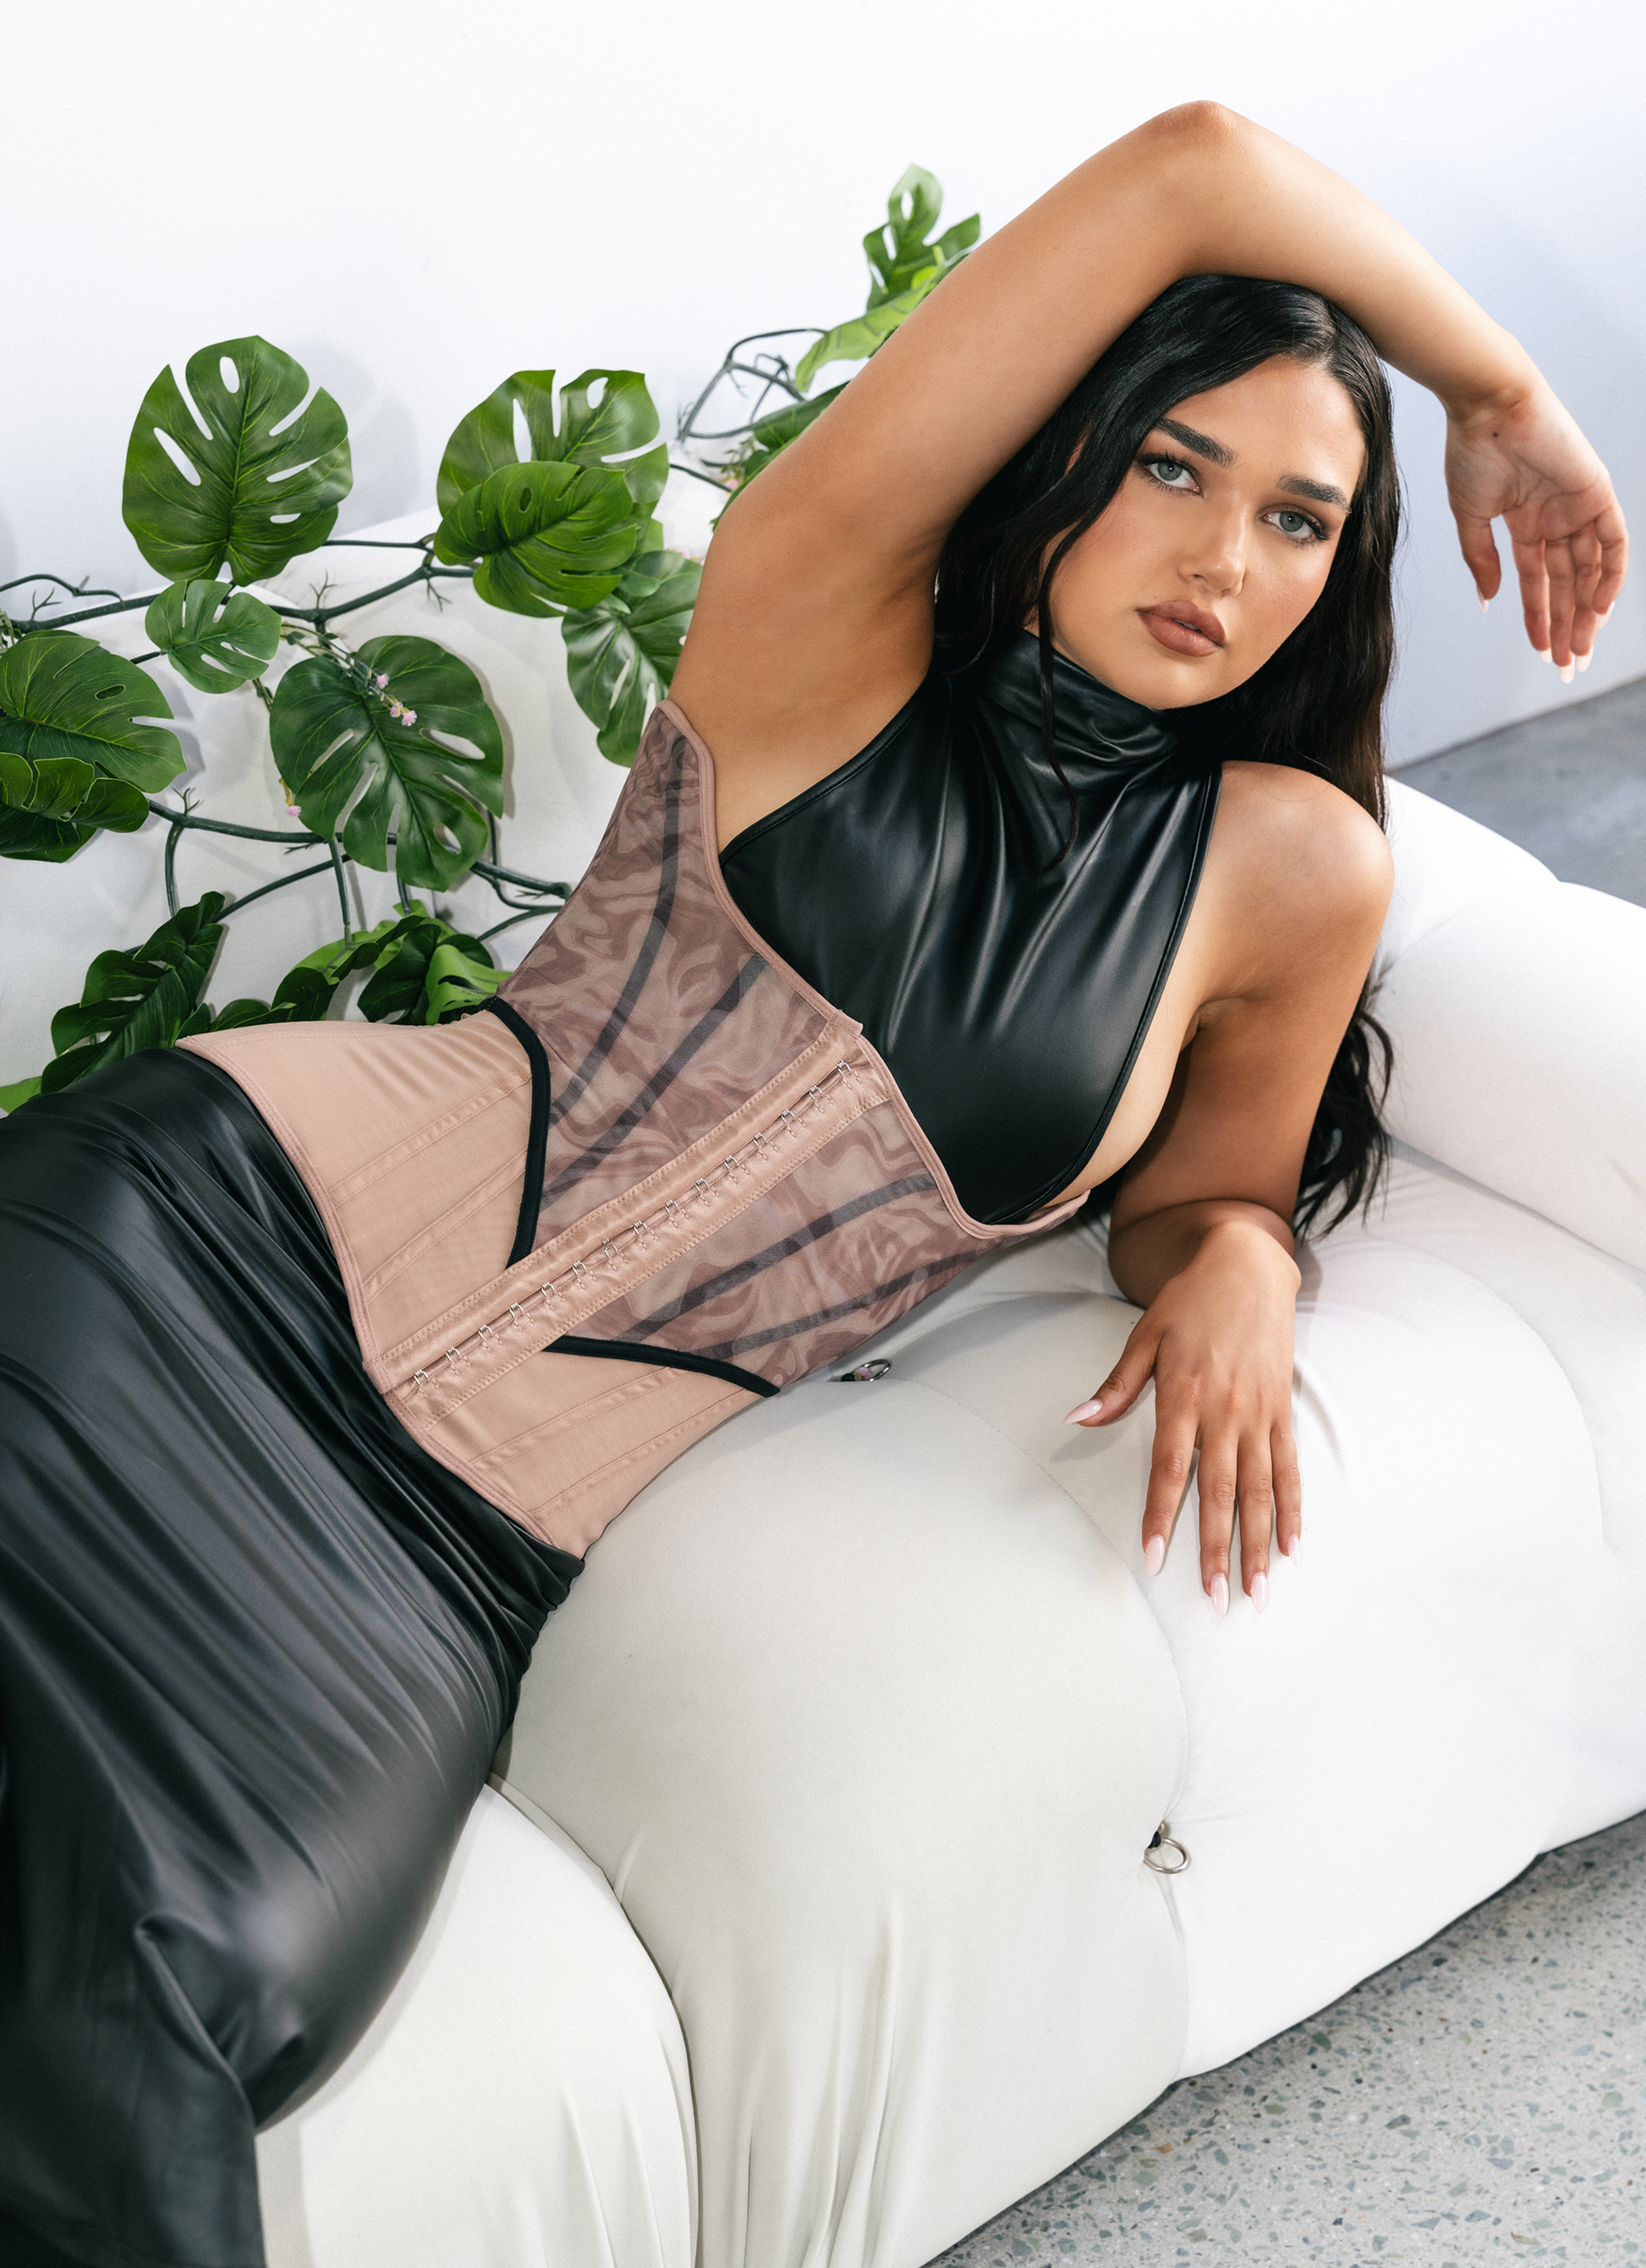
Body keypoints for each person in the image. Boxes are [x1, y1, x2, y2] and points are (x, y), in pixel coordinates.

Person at [0, 101, 1626, 2268]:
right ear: (1069, 454)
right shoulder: (821, 622)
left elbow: (1203, 1192)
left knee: (192, 1984)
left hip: (460, 1546)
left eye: (1299, 518)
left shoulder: (1291, 869)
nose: (1226, 558)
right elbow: (1197, 164)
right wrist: (1497, 390)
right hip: (199, 1249)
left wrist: (1236, 1257)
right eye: (1173, 467)